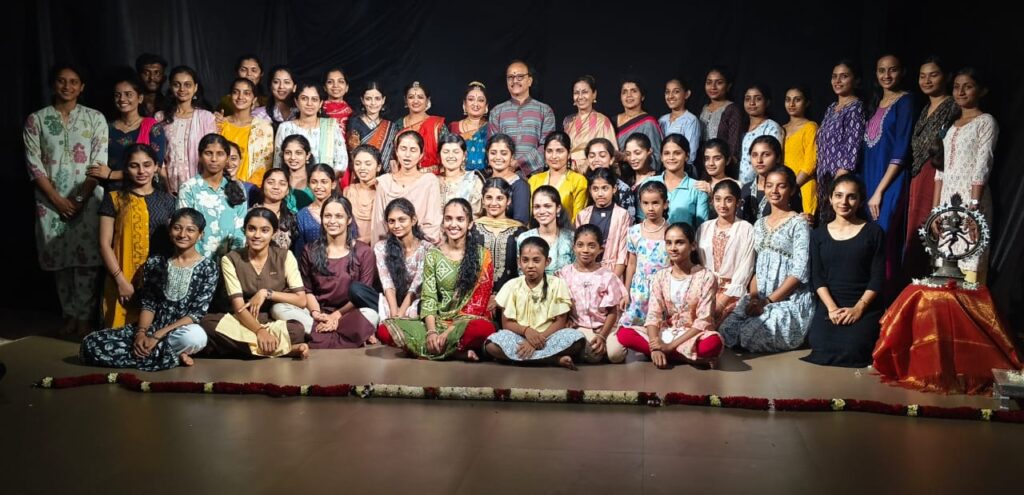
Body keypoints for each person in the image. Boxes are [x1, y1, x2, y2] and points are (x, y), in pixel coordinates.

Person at [24, 64, 107, 336]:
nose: (67, 86)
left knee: (87, 263)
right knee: (60, 261)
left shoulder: (95, 118)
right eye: (61, 81)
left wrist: (80, 199)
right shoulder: (36, 120)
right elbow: (34, 164)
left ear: (82, 87)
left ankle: (84, 318)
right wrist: (57, 200)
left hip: (88, 200)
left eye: (73, 82)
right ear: (53, 85)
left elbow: (99, 163)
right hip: (50, 202)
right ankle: (69, 315)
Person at [80, 208, 217, 371]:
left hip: (180, 330)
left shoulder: (209, 268)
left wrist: (158, 336)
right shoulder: (155, 262)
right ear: (170, 230)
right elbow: (149, 305)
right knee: (90, 344)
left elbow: (195, 314)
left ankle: (157, 352)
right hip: (151, 328)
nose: (182, 234)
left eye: (190, 230)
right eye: (177, 228)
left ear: (200, 234)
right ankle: (168, 355)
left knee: (196, 337)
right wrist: (141, 334)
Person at [381, 199, 495, 360]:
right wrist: (431, 332)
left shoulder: (484, 256)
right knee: (384, 330)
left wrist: (447, 333)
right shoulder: (433, 255)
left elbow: (477, 306)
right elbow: (429, 298)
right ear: (443, 223)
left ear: (470, 224)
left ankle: (430, 349)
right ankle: (456, 352)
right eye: (448, 219)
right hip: (438, 322)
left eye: (460, 219)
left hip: (466, 323)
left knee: (482, 329)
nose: (453, 224)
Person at [720, 166, 814, 352]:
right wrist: (755, 298)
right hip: (760, 297)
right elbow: (755, 268)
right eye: (769, 185)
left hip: (787, 300)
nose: (774, 191)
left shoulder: (799, 223)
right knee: (726, 331)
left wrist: (768, 301)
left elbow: (799, 272)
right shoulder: (758, 224)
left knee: (750, 334)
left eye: (781, 186)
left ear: (792, 190)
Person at [198, 208, 310, 359]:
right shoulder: (230, 259)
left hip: (271, 321)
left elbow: (301, 300)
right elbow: (238, 307)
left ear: (274, 233)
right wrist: (259, 331)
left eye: (264, 230)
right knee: (207, 324)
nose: (257, 235)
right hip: (241, 320)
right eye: (251, 229)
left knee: (296, 330)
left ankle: (254, 348)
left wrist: (266, 293)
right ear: (244, 230)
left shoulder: (285, 256)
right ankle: (285, 349)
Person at [804, 175, 884, 367]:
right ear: (830, 198)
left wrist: (858, 309)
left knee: (854, 350)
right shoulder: (818, 234)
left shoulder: (874, 232)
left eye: (851, 197)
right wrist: (832, 308)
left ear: (860, 200)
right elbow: (817, 277)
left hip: (863, 305)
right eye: (839, 195)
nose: (844, 202)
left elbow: (878, 278)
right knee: (820, 345)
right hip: (830, 305)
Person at [616, 222, 722, 368]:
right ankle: (686, 357)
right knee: (624, 334)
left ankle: (669, 354)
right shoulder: (661, 276)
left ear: (692, 246)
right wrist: (655, 346)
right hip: (667, 332)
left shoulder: (706, 277)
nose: (673, 248)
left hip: (692, 335)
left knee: (713, 343)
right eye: (668, 243)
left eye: (679, 242)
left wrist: (669, 347)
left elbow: (704, 320)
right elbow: (653, 315)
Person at [98, 144, 176, 328]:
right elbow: (104, 244)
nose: (141, 171)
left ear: (156, 167)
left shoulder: (168, 200)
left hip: (158, 280)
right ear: (126, 168)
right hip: (123, 278)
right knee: (120, 333)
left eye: (147, 165)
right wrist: (120, 280)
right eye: (134, 166)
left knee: (154, 333)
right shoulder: (114, 198)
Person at [934, 67, 998, 283]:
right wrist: (935, 211)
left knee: (970, 264)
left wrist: (974, 209)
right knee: (945, 266)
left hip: (972, 202)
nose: (960, 92)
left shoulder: (985, 122)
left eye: (968, 87)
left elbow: (983, 166)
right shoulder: (950, 126)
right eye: (956, 87)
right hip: (946, 204)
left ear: (982, 91)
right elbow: (940, 171)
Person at [485, 236, 585, 369]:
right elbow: (506, 323)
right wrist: (526, 331)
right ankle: (553, 360)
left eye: (536, 260)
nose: (530, 265)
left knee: (577, 339)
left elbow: (560, 322)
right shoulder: (511, 285)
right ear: (519, 262)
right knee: (491, 345)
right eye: (525, 260)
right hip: (520, 337)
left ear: (547, 261)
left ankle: (523, 358)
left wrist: (536, 341)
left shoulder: (557, 284)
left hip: (548, 338)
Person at [904, 57, 958, 279]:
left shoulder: (952, 105)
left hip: (935, 171)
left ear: (946, 77)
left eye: (933, 75)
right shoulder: (925, 107)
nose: (926, 80)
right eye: (922, 76)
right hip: (918, 172)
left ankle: (926, 281)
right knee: (913, 229)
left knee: (927, 227)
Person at [300, 196, 379, 348]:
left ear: (349, 220)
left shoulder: (364, 251)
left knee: (371, 315)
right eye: (327, 216)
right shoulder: (309, 250)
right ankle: (343, 334)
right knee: (280, 309)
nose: (332, 221)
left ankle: (320, 335)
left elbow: (362, 295)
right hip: (319, 314)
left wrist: (336, 316)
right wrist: (317, 315)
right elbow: (307, 290)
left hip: (349, 313)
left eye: (339, 216)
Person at [557, 225, 628, 363]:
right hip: (581, 326)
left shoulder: (607, 276)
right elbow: (562, 304)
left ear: (600, 249)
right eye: (580, 245)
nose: (585, 250)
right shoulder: (565, 274)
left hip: (606, 327)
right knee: (592, 354)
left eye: (591, 246)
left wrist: (602, 336)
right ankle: (595, 351)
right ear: (573, 247)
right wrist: (567, 321)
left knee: (616, 355)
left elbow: (612, 311)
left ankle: (604, 347)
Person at [175, 133, 247, 258]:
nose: (214, 159)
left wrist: (233, 260)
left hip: (230, 260)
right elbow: (185, 229)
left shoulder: (237, 188)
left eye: (220, 154)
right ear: (200, 156)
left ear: (227, 158)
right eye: (208, 153)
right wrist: (199, 263)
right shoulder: (189, 188)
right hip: (197, 261)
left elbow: (240, 229)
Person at [696, 180, 754, 324]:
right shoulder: (704, 228)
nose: (722, 205)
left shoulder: (746, 229)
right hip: (705, 290)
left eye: (728, 200)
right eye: (718, 199)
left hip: (732, 294)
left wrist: (722, 302)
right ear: (712, 201)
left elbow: (745, 268)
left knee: (722, 326)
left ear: (738, 203)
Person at [93, 77, 166, 192]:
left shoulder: (153, 127)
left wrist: (112, 174)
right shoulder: (106, 127)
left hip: (143, 192)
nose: (122, 99)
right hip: (111, 192)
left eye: (128, 94)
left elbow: (156, 166)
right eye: (117, 95)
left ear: (140, 98)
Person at [370, 130, 443, 242]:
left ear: (421, 154)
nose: (407, 154)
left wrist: (418, 247)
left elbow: (433, 223)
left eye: (413, 150)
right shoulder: (385, 182)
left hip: (422, 245)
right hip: (391, 246)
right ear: (396, 151)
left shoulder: (429, 181)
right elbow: (379, 225)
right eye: (403, 149)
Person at [488, 60, 556, 177]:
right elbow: (493, 146)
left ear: (529, 81)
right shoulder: (496, 112)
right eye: (510, 77)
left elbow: (547, 146)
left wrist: (519, 163)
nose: (515, 80)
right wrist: (507, 164)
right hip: (503, 176)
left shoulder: (545, 110)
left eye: (520, 77)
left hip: (535, 177)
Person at [816, 60, 865, 215]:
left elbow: (853, 145)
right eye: (834, 76)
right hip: (824, 177)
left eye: (844, 76)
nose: (837, 81)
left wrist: (838, 183)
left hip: (841, 179)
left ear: (855, 80)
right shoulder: (831, 108)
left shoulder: (855, 107)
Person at [157, 66, 216, 194]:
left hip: (200, 186)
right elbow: (156, 154)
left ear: (195, 88)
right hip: (168, 185)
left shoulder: (206, 117)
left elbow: (212, 153)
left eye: (187, 85)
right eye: (177, 84)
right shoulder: (160, 117)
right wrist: (165, 183)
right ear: (171, 87)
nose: (182, 89)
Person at [619, 181, 671, 327]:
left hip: (663, 288)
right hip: (639, 290)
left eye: (655, 203)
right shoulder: (634, 231)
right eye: (645, 203)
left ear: (665, 204)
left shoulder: (671, 231)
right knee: (631, 326)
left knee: (660, 326)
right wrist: (626, 291)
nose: (650, 208)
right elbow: (631, 264)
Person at [374, 198, 434, 320]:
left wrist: (400, 314)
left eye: (402, 220)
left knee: (428, 303)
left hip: (415, 300)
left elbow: (415, 287)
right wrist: (394, 312)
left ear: (413, 220)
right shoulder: (381, 247)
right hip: (390, 301)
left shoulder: (427, 248)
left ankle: (407, 317)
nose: (396, 226)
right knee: (358, 291)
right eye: (391, 221)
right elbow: (387, 283)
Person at [273, 81, 348, 175]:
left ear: (321, 103)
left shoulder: (331, 126)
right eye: (304, 98)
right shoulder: (285, 128)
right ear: (296, 102)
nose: (309, 103)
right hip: (292, 182)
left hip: (324, 182)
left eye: (314, 99)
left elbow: (341, 162)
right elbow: (278, 164)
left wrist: (323, 179)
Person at [475, 178, 528, 307]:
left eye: (499, 198)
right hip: (476, 299)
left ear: (508, 201)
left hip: (512, 300)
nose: (494, 203)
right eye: (489, 198)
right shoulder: (472, 229)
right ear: (482, 200)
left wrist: (502, 298)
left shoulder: (519, 231)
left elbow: (523, 271)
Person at [575, 168, 631, 278]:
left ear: (614, 189)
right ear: (590, 190)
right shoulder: (583, 215)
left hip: (613, 272)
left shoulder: (622, 215)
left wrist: (611, 280)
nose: (600, 194)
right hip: (586, 273)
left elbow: (622, 254)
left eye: (605, 188)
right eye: (595, 189)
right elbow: (579, 249)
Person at [217, 78, 274, 187]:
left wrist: (249, 188)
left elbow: (265, 165)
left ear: (254, 99)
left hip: (251, 188)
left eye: (246, 93)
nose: (240, 97)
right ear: (230, 96)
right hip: (219, 186)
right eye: (236, 92)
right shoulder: (220, 124)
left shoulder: (264, 127)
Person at [643, 134, 709, 226]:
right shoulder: (648, 183)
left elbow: (702, 227)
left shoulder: (697, 188)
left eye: (677, 153)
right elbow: (641, 220)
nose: (671, 157)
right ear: (661, 157)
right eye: (666, 153)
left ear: (687, 156)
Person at [739, 135, 804, 223]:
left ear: (778, 157)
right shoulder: (746, 188)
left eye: (766, 154)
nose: (759, 160)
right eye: (754, 155)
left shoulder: (786, 188)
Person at [528, 131, 589, 220]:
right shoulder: (533, 180)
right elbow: (530, 215)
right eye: (549, 151)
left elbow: (578, 219)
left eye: (559, 151)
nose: (554, 156)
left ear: (569, 154)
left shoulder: (579, 181)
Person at [516, 185, 574, 275]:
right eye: (537, 207)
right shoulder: (524, 238)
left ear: (558, 209)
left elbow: (577, 271)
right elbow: (521, 273)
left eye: (547, 206)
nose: (542, 211)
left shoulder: (571, 238)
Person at [563, 75, 616, 170]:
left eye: (585, 92)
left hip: (592, 170)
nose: (580, 97)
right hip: (568, 170)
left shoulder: (602, 121)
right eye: (576, 93)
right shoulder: (568, 121)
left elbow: (610, 152)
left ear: (594, 94)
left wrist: (586, 165)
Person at [395, 81, 448, 174]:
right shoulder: (398, 125)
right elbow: (393, 157)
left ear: (427, 100)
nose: (415, 101)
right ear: (405, 100)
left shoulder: (437, 125)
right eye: (411, 97)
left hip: (433, 177)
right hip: (404, 177)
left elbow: (448, 154)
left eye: (420, 97)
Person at [346, 81, 398, 174]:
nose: (373, 103)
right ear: (362, 100)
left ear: (383, 100)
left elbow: (392, 157)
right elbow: (353, 154)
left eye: (377, 98)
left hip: (385, 176)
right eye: (368, 99)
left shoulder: (390, 126)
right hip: (361, 173)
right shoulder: (354, 122)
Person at [782, 86, 819, 215]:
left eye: (797, 100)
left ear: (807, 103)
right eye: (788, 100)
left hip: (803, 186)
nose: (791, 104)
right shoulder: (781, 128)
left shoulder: (810, 127)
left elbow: (810, 163)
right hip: (782, 186)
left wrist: (793, 187)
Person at [739, 84, 785, 186]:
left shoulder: (771, 127)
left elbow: (775, 160)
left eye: (758, 99)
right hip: (741, 186)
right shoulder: (741, 128)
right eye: (747, 99)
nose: (752, 103)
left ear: (767, 102)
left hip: (762, 185)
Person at [700, 67, 744, 163]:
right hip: (702, 162)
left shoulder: (732, 109)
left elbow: (734, 145)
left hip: (722, 164)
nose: (713, 87)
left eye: (719, 83)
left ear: (728, 86)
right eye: (709, 82)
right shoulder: (703, 108)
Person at [485, 133, 531, 224]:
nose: (498, 157)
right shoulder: (483, 181)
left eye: (504, 153)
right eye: (493, 153)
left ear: (512, 157)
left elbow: (521, 223)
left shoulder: (520, 186)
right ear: (487, 156)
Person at [659, 78, 701, 177]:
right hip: (663, 170)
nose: (670, 96)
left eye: (676, 92)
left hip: (684, 172)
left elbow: (691, 154)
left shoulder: (691, 120)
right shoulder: (662, 120)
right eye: (667, 92)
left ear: (687, 94)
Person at [616, 78, 663, 164]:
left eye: (634, 91)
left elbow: (657, 158)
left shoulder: (648, 123)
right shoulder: (611, 121)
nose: (629, 95)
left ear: (642, 96)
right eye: (624, 92)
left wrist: (626, 157)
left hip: (639, 170)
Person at [294, 164, 337, 256]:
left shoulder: (343, 210)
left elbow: (352, 240)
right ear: (308, 185)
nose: (318, 186)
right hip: (312, 263)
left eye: (324, 182)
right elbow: (300, 250)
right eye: (314, 182)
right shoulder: (302, 215)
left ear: (333, 184)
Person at [251, 168, 298, 251]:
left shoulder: (292, 218)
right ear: (263, 185)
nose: (276, 187)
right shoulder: (250, 215)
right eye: (270, 182)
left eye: (282, 184)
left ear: (287, 190)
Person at [586, 138, 635, 217]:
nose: (596, 159)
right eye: (592, 156)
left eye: (602, 156)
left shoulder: (623, 189)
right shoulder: (582, 183)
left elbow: (629, 220)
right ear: (587, 160)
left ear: (611, 159)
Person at [344, 144, 381, 244]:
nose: (362, 168)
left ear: (378, 167)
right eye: (358, 163)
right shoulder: (348, 191)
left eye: (368, 164)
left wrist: (365, 240)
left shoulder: (384, 192)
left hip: (378, 246)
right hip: (351, 245)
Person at [439, 134, 484, 215]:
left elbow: (476, 213)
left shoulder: (473, 180)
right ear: (439, 155)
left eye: (456, 152)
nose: (451, 156)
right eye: (446, 152)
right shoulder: (433, 181)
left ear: (464, 155)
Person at [450, 82, 490, 172]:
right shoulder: (454, 127)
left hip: (485, 176)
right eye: (471, 99)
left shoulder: (491, 128)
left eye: (480, 100)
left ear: (486, 106)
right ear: (464, 104)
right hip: (458, 175)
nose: (476, 104)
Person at [623, 133, 659, 220]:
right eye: (628, 154)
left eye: (637, 153)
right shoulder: (626, 179)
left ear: (649, 151)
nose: (632, 158)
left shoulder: (657, 179)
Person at [252, 65, 297, 131]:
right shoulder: (258, 115)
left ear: (294, 87)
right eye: (276, 82)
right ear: (270, 85)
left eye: (287, 82)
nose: (281, 86)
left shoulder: (302, 113)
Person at [278, 134, 315, 213]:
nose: (293, 157)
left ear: (307, 155)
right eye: (288, 153)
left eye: (298, 153)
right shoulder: (277, 180)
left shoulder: (316, 180)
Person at [321, 67, 353, 137]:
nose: (335, 85)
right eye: (330, 82)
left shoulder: (354, 114)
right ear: (325, 87)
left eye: (340, 81)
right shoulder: (317, 111)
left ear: (347, 87)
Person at [135, 53, 167, 117]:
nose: (152, 77)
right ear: (138, 76)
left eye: (157, 73)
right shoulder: (131, 104)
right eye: (146, 73)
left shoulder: (170, 105)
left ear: (164, 78)